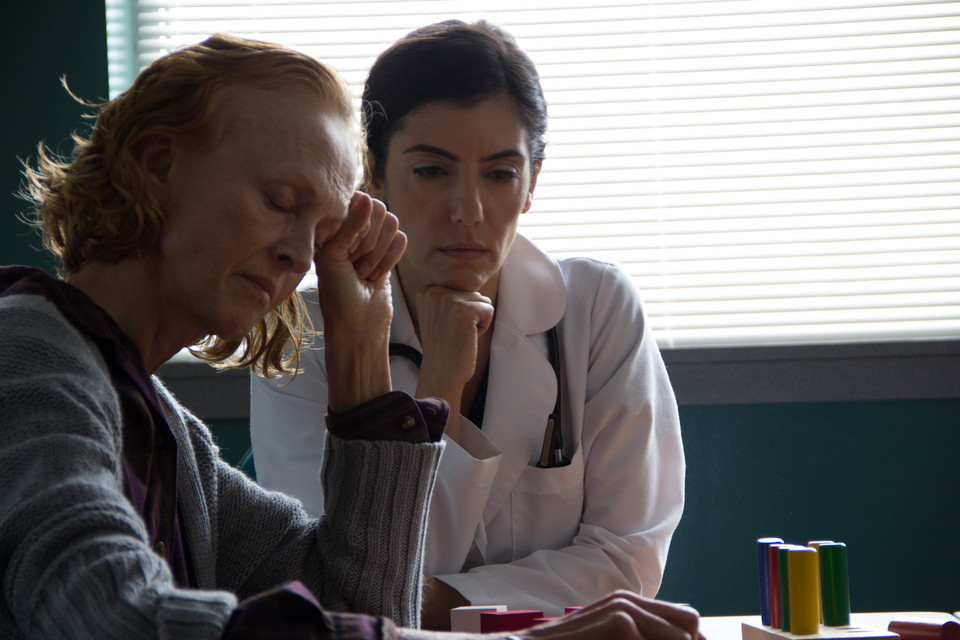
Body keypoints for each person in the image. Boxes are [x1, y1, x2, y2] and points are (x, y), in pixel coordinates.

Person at [0, 33, 699, 640]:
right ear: (159, 166)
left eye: (322, 227)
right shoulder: (27, 358)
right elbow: (114, 617)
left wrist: (364, 372)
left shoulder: (172, 436)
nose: (301, 254)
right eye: (280, 201)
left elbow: (353, 602)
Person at [250, 19, 686, 630]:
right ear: (372, 172)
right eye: (432, 171)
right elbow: (324, 582)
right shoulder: (304, 336)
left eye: (501, 173)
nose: (468, 211)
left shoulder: (597, 308)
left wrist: (420, 602)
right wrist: (440, 392)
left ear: (532, 182)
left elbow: (627, 560)